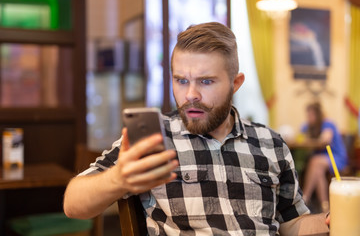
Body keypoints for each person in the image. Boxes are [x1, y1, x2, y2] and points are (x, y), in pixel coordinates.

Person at [64, 22, 330, 235]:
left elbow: (292, 224)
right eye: (181, 80)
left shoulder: (271, 143)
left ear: (235, 83)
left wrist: (332, 220)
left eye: (205, 81)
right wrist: (117, 179)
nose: (190, 94)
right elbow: (73, 205)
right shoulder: (154, 139)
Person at [301, 102, 347, 212]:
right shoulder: (310, 127)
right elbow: (300, 133)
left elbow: (325, 139)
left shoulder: (327, 124)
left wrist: (311, 139)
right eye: (308, 115)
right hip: (321, 160)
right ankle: (325, 206)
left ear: (318, 115)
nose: (309, 117)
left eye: (311, 115)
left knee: (315, 161)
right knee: (318, 171)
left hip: (336, 157)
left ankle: (305, 198)